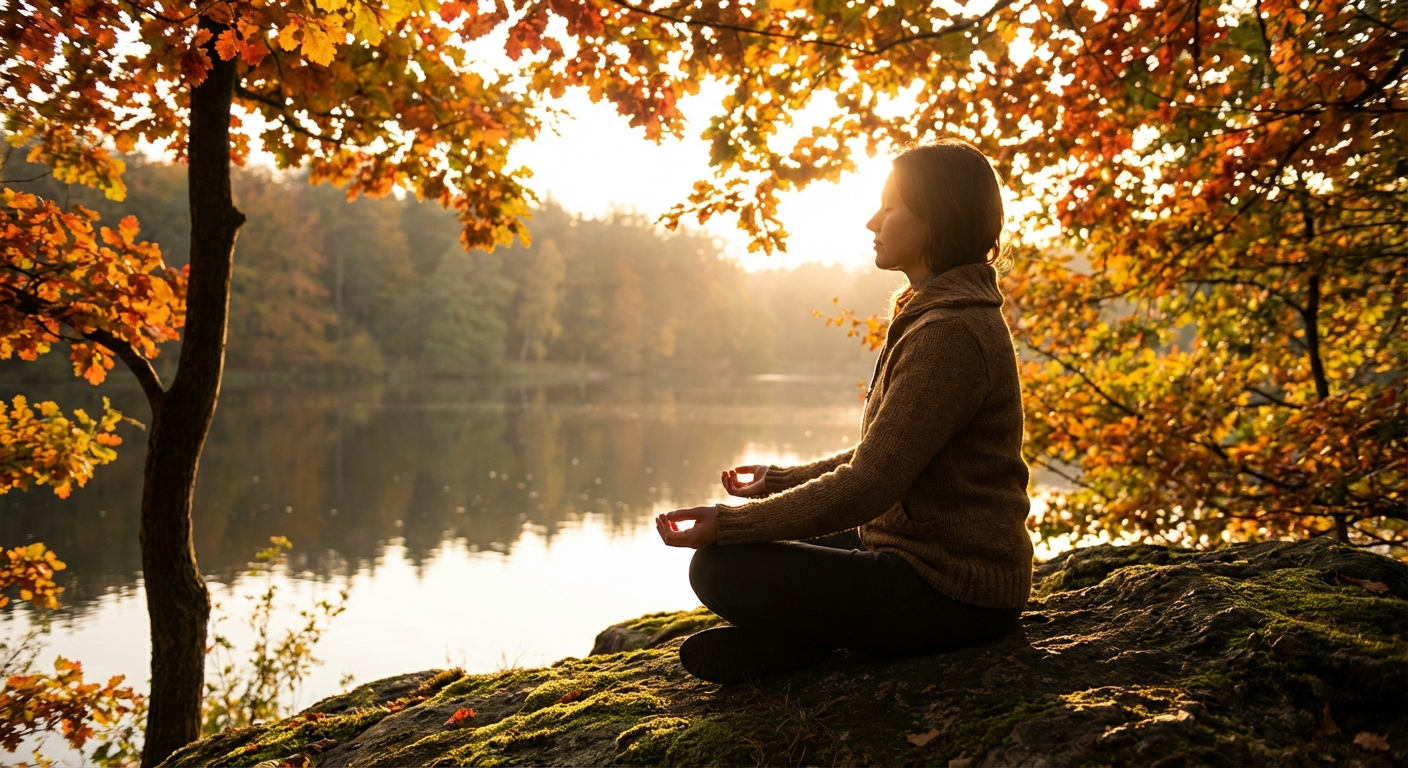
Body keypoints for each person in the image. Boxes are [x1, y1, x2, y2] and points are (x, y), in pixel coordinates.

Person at [654, 138, 1034, 684]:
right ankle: (795, 643)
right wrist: (780, 479)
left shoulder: (949, 333)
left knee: (722, 566)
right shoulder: (936, 317)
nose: (871, 220)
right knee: (765, 547)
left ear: (936, 218)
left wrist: (729, 524)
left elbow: (871, 483)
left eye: (890, 206)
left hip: (953, 593)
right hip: (918, 558)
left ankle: (797, 642)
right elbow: (893, 449)